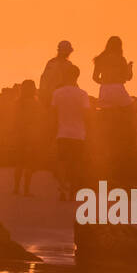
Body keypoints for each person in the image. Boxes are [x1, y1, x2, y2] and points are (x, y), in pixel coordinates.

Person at [92, 36, 135, 182]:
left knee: (105, 113)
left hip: (104, 90)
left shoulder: (99, 59)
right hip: (118, 89)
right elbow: (127, 77)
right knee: (130, 110)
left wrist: (105, 81)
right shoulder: (121, 59)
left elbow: (94, 78)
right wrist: (130, 67)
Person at [50, 64, 91, 201]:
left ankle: (62, 188)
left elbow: (53, 115)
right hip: (79, 134)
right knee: (77, 163)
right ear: (77, 76)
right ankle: (74, 188)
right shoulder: (83, 94)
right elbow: (86, 115)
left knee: (62, 162)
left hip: (62, 133)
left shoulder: (57, 93)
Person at [11, 79, 44, 195]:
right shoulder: (36, 104)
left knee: (19, 163)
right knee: (29, 163)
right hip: (32, 136)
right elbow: (39, 121)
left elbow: (14, 121)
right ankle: (26, 189)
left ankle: (16, 188)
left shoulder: (17, 103)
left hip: (20, 136)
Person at [39, 40, 77, 104]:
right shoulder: (53, 63)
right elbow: (45, 80)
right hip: (54, 97)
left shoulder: (66, 64)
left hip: (60, 96)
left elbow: (72, 80)